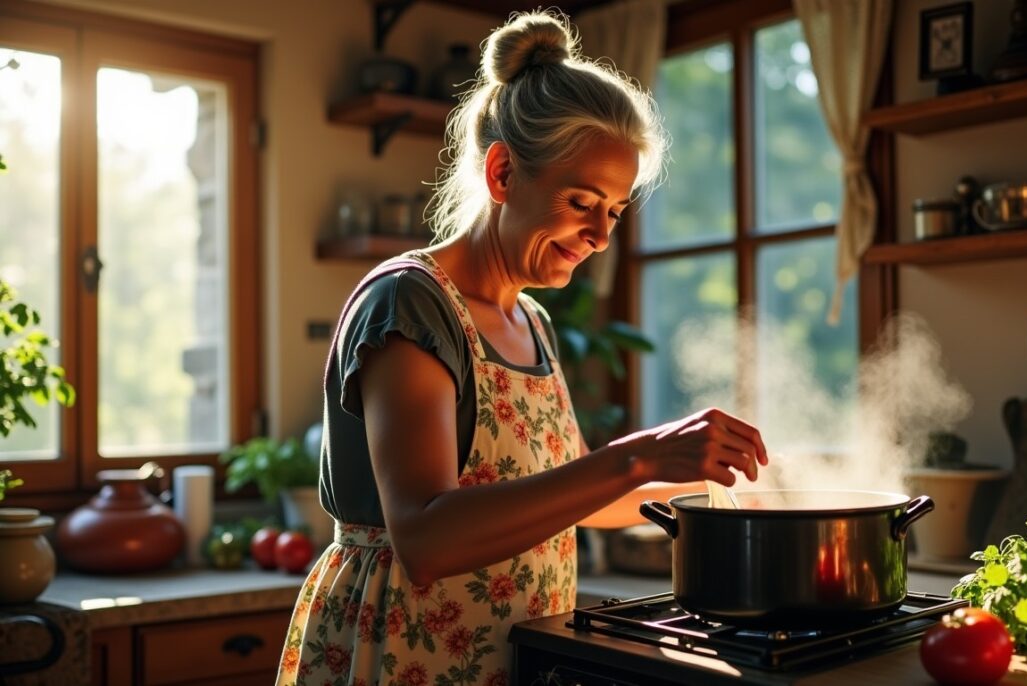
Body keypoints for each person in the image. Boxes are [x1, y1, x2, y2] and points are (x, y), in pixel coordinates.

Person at [276, 10, 767, 686]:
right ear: (504, 173)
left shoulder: (530, 320)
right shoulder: (411, 304)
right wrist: (635, 456)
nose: (600, 235)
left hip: (510, 657)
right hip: (399, 654)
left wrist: (713, 489)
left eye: (615, 211)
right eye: (580, 201)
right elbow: (424, 537)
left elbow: (560, 501)